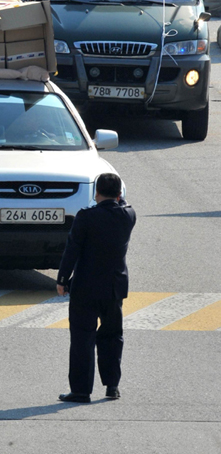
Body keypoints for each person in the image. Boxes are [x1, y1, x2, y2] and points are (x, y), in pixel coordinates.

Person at [56, 172, 136, 403]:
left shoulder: (86, 217)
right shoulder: (129, 215)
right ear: (120, 193)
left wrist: (62, 279)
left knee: (82, 338)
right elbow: (123, 204)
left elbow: (73, 250)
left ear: (96, 192)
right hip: (114, 287)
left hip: (86, 287)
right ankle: (112, 386)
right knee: (113, 336)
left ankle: (81, 391)